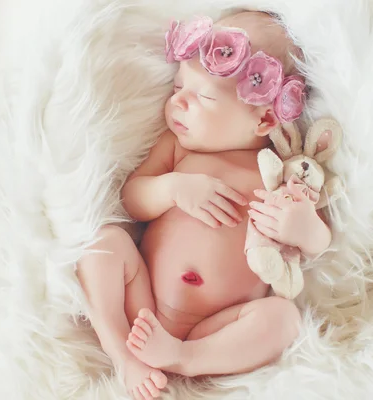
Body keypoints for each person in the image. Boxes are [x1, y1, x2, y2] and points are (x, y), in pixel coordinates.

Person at [76, 11, 333, 400]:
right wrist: (173, 188)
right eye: (178, 87)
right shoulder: (178, 149)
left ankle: (187, 358)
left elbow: (319, 241)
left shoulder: (280, 174)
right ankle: (121, 354)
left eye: (203, 97)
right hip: (143, 301)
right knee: (104, 242)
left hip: (217, 326)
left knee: (284, 319)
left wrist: (302, 227)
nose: (178, 103)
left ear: (264, 118)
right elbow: (133, 199)